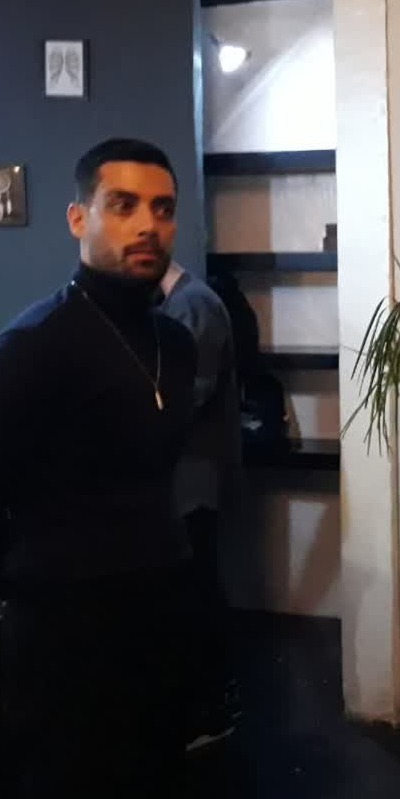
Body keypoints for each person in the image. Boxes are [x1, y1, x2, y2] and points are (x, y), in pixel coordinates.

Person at [0, 138, 198, 799]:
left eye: (163, 209)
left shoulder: (175, 344)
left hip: (161, 626)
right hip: (66, 647)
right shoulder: (31, 349)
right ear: (80, 218)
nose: (148, 225)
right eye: (124, 205)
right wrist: (42, 588)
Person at [159, 260, 243, 747]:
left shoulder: (193, 304)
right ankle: (208, 707)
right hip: (192, 472)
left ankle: (210, 711)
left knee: (197, 589)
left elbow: (193, 388)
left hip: (195, 472)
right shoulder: (188, 302)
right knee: (195, 587)